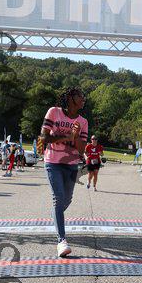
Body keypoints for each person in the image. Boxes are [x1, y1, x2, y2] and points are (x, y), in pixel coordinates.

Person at [40, 87, 88, 258]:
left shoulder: (83, 121)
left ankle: (55, 214)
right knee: (59, 198)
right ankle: (62, 241)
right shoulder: (54, 112)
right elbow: (44, 138)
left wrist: (75, 136)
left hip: (72, 165)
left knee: (66, 200)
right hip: (53, 162)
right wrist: (67, 137)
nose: (83, 98)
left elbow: (81, 149)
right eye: (80, 96)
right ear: (70, 98)